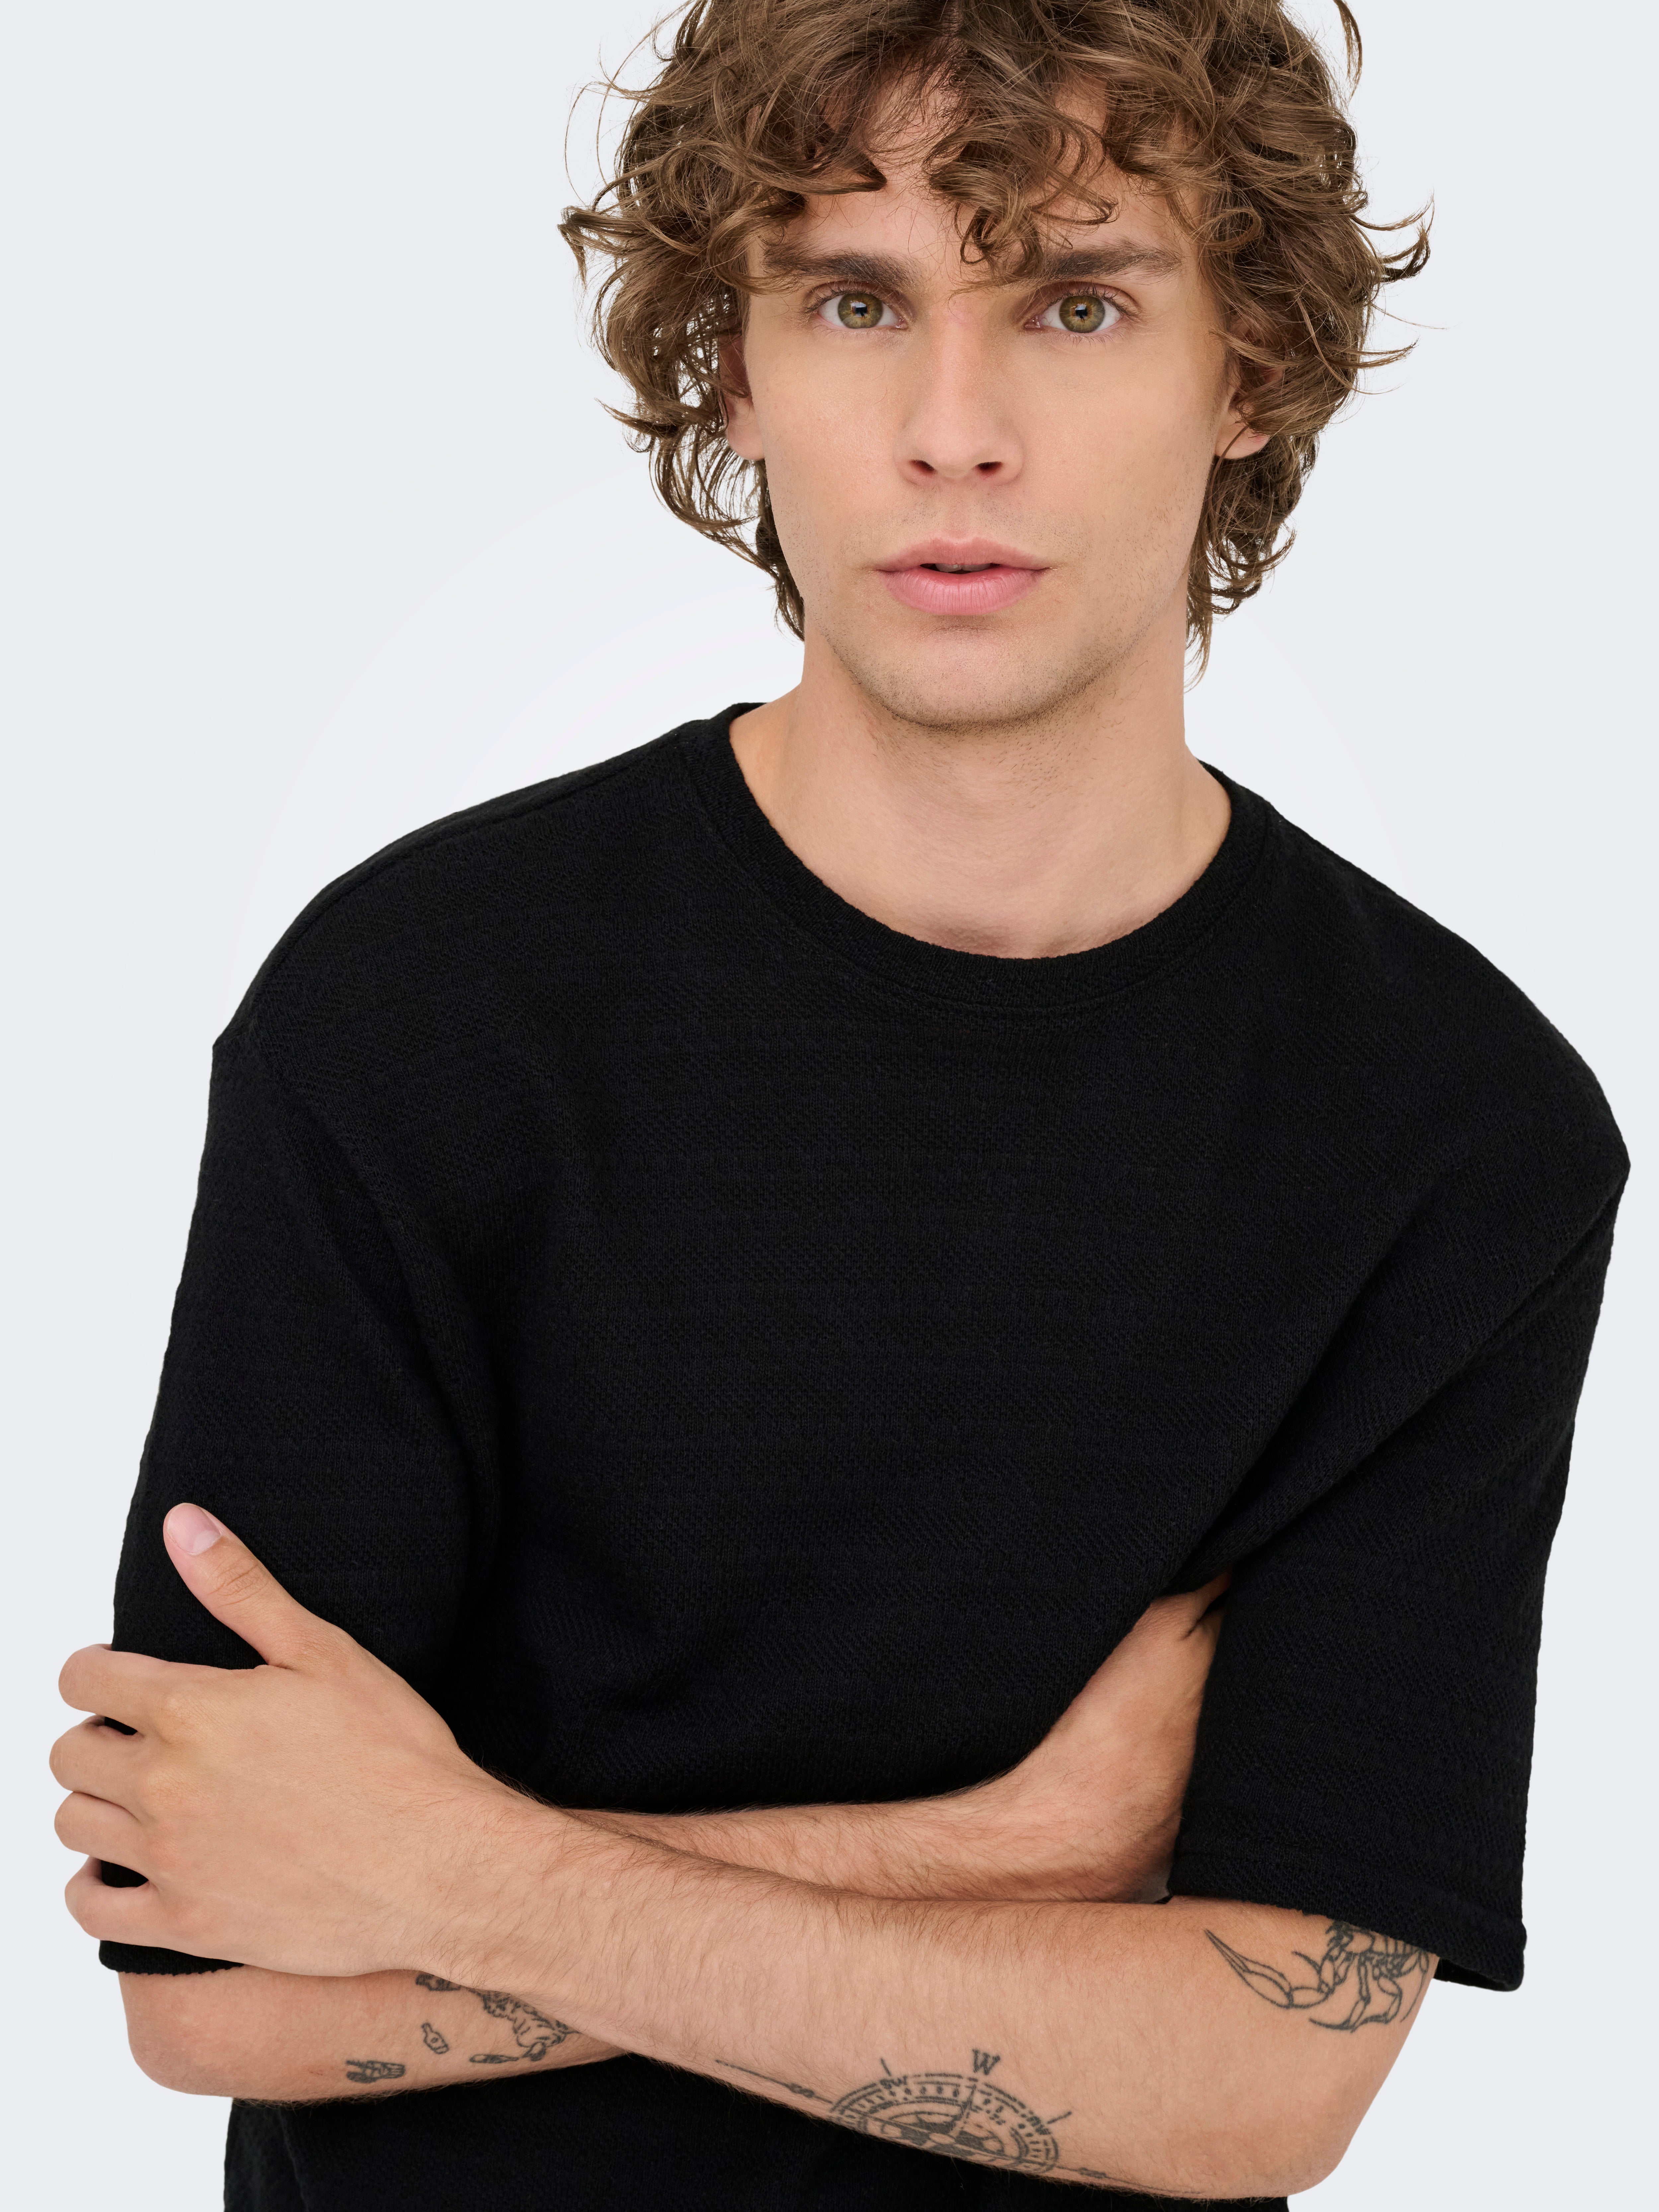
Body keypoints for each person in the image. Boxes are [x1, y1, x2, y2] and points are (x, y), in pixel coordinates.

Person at [51, 2, 1626, 2207]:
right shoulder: (417, 1012)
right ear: (736, 366)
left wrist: (447, 1868)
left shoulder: (1453, 1130)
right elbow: (209, 1989)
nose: (950, 433)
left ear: (1250, 365)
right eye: (854, 302)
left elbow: (1261, 2081)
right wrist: (1004, 1848)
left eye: (1075, 303)